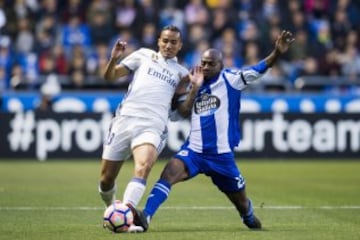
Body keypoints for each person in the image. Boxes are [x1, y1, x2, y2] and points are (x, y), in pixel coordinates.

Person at [134, 30, 295, 232]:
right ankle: (145, 216)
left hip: (221, 156)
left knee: (241, 203)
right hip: (194, 151)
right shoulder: (195, 83)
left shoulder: (232, 79)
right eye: (204, 62)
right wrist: (194, 88)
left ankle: (248, 215)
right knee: (169, 173)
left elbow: (260, 68)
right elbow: (183, 112)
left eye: (211, 64)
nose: (206, 67)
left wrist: (277, 53)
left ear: (221, 66)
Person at [98, 25, 204, 229]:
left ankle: (126, 215)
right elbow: (109, 76)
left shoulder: (182, 74)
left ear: (180, 46)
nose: (168, 45)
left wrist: (195, 89)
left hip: (152, 126)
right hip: (124, 120)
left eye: (174, 42)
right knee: (105, 180)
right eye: (165, 40)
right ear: (158, 41)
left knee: (144, 166)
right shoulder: (143, 55)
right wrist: (114, 58)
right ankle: (113, 209)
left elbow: (181, 113)